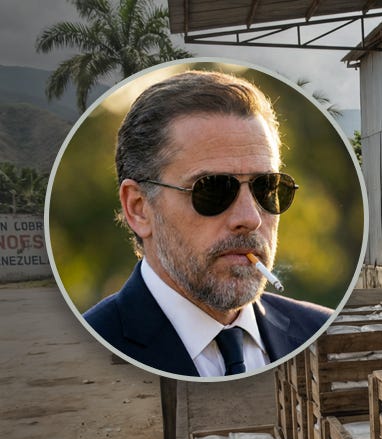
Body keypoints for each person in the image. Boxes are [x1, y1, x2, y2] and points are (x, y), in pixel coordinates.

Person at [84, 69, 332, 378]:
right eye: (212, 190)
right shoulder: (90, 349)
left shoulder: (322, 332)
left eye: (266, 188)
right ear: (139, 208)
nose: (250, 219)